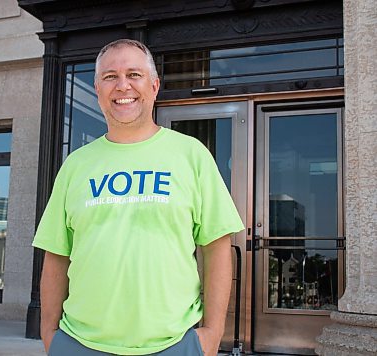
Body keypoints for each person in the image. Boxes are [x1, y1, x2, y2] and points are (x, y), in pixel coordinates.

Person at [33, 39, 244, 355]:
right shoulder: (75, 164)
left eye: (134, 74)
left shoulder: (192, 155)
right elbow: (56, 254)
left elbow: (216, 246)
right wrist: (51, 336)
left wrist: (211, 335)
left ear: (155, 86)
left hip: (174, 345)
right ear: (97, 89)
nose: (122, 86)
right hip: (79, 344)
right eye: (110, 77)